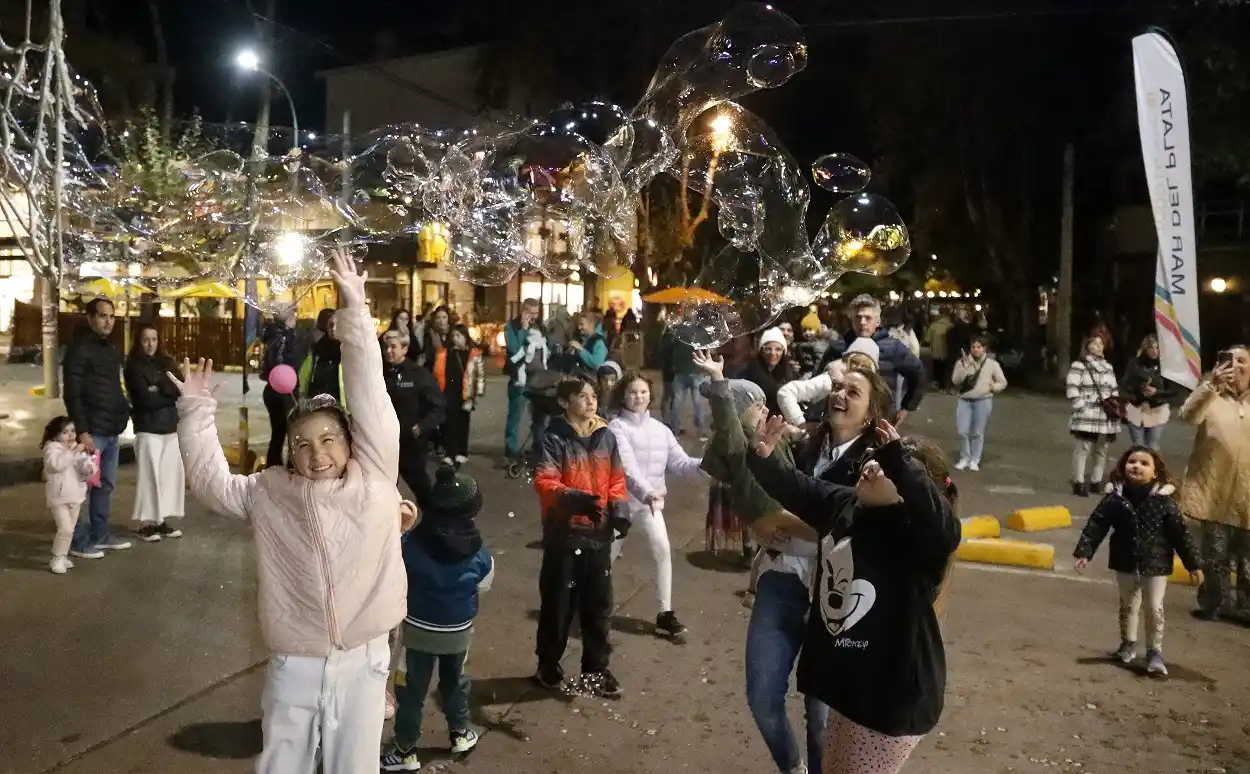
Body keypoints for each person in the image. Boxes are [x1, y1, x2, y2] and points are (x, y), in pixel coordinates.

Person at [172, 249, 411, 774]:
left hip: (364, 656)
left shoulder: (373, 475)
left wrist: (354, 309)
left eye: (330, 439)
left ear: (352, 445)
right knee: (282, 762)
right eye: (303, 443)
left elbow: (369, 393)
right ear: (289, 452)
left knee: (355, 765)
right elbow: (212, 484)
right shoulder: (269, 491)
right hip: (294, 657)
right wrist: (196, 411)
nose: (317, 452)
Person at [698, 351, 895, 774]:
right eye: (837, 387)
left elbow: (868, 529)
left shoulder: (877, 466)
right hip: (783, 579)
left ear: (870, 414)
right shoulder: (800, 443)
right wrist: (762, 523)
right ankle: (793, 767)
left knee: (821, 717)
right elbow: (745, 466)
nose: (839, 394)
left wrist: (802, 529)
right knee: (762, 696)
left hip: (836, 598)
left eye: (852, 391)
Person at [747, 416, 961, 774]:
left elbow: (945, 529)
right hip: (854, 688)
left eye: (888, 468)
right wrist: (765, 458)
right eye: (875, 458)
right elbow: (799, 489)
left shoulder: (917, 536)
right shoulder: (846, 504)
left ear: (911, 492)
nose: (873, 466)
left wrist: (900, 464)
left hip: (890, 699)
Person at [381, 465, 494, 772]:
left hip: (418, 630)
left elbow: (396, 570)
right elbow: (484, 582)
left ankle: (405, 750)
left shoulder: (413, 546)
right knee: (455, 682)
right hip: (458, 632)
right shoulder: (480, 554)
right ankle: (460, 732)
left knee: (410, 692)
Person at [532, 375, 630, 698]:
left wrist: (619, 510)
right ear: (565, 402)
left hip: (598, 535)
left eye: (593, 396)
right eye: (583, 397)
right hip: (565, 534)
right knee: (558, 604)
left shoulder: (606, 436)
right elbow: (545, 481)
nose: (591, 401)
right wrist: (574, 500)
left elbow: (616, 478)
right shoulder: (553, 437)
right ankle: (548, 664)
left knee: (598, 605)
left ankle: (595, 671)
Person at [1073, 446, 1201, 677]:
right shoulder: (1115, 498)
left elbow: (1180, 534)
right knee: (1128, 605)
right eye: (1132, 461)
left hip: (1156, 563)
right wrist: (1084, 552)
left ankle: (1154, 652)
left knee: (1154, 608)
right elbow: (1097, 524)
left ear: (1155, 472)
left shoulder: (1164, 501)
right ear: (1123, 467)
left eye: (1144, 463)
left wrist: (1193, 564)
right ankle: (1128, 644)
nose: (1136, 466)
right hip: (1125, 560)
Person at [607, 372, 704, 638]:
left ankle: (665, 613)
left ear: (651, 394)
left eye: (643, 392)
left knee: (663, 550)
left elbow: (682, 463)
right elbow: (627, 468)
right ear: (622, 396)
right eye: (632, 392)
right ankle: (588, 606)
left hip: (650, 505)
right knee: (606, 558)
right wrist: (647, 492)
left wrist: (708, 466)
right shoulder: (616, 427)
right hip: (621, 504)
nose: (638, 397)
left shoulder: (661, 430)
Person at [1177, 345, 1250, 622]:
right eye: (1231, 360)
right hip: (1213, 489)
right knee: (1215, 555)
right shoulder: (1211, 395)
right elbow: (1187, 415)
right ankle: (1214, 604)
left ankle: (1246, 608)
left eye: (1242, 361)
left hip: (1248, 492)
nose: (1236, 366)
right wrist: (1211, 386)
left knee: (1248, 557)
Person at [62, 297, 133, 558]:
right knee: (81, 488)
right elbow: (72, 392)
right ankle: (78, 540)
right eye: (103, 316)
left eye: (111, 316)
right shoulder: (80, 348)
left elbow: (113, 386)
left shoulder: (109, 347)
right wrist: (82, 430)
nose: (108, 321)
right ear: (90, 318)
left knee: (105, 485)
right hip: (92, 431)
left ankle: (100, 533)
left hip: (111, 429)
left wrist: (123, 409)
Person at [817, 294, 925, 424]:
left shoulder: (893, 348)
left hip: (879, 421)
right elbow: (817, 381)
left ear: (877, 321)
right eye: (858, 317)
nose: (862, 322)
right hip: (842, 419)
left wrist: (906, 407)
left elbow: (918, 374)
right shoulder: (837, 348)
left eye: (868, 318)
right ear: (852, 320)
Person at [123, 323, 186, 541]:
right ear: (138, 341)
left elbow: (179, 388)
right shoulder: (132, 365)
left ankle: (161, 521)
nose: (150, 344)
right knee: (149, 476)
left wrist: (159, 388)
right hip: (147, 428)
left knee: (168, 476)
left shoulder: (166, 362)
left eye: (154, 339)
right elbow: (143, 398)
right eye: (146, 340)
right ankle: (147, 524)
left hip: (169, 427)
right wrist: (162, 390)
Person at [383, 328, 447, 505]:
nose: (388, 351)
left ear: (404, 349)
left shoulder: (418, 374)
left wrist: (420, 428)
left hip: (410, 443)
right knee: (385, 492)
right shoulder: (379, 373)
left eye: (393, 347)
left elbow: (439, 407)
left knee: (423, 490)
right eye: (386, 347)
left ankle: (436, 524)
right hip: (385, 443)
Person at [775, 337, 880, 428]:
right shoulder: (830, 380)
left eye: (865, 367)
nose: (859, 368)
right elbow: (786, 392)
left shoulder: (867, 391)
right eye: (855, 362)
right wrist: (800, 424)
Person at [1065, 335, 1120, 496]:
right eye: (1095, 343)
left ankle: (1096, 481)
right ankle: (1079, 481)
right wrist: (1081, 406)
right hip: (1087, 412)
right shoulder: (1079, 365)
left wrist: (1115, 404)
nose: (1099, 346)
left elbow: (1114, 389)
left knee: (1102, 449)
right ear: (1087, 345)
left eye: (1101, 344)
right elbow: (1072, 387)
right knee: (1083, 448)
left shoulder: (1108, 367)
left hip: (1105, 414)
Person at [41, 417, 96, 574]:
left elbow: (85, 467)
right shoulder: (52, 449)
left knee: (69, 529)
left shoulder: (76, 449)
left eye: (72, 431)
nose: (70, 435)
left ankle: (63, 555)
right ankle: (57, 558)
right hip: (58, 498)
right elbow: (57, 465)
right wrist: (73, 452)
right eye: (64, 432)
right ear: (55, 434)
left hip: (75, 496)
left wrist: (89, 467)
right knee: (64, 528)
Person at [950, 335, 1008, 472]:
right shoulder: (962, 362)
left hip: (983, 401)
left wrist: (993, 387)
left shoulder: (992, 364)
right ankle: (964, 457)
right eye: (973, 347)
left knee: (977, 432)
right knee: (962, 430)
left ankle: (975, 459)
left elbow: (1003, 382)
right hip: (964, 400)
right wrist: (965, 366)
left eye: (979, 347)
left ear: (984, 349)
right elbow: (955, 380)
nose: (976, 350)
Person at [432, 324, 485, 468]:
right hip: (449, 392)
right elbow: (438, 373)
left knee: (462, 423)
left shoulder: (474, 354)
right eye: (453, 336)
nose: (455, 339)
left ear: (465, 337)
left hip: (465, 394)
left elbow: (480, 377)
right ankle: (450, 453)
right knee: (449, 424)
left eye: (458, 336)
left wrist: (476, 396)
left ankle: (461, 452)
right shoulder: (446, 353)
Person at [504, 299, 548, 462]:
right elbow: (514, 350)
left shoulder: (538, 326)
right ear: (523, 310)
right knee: (516, 415)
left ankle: (538, 447)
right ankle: (511, 450)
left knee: (539, 416)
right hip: (520, 378)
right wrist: (523, 330)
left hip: (538, 378)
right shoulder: (511, 327)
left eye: (536, 313)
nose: (534, 317)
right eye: (531, 313)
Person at [261, 308, 301, 468]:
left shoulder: (271, 334)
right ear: (288, 319)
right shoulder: (283, 337)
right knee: (292, 430)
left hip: (272, 388)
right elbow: (280, 361)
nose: (296, 319)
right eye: (294, 315)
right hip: (284, 389)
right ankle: (291, 467)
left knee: (278, 433)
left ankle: (273, 466)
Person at [1121, 334, 1176, 450]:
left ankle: (1154, 468)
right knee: (1138, 446)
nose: (1155, 351)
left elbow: (1174, 391)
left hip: (1157, 410)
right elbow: (1125, 385)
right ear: (1145, 349)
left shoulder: (1165, 367)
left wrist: (1157, 392)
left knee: (1152, 446)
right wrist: (1139, 390)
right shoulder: (1134, 364)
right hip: (1136, 410)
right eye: (1152, 348)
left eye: (1157, 348)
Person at [737, 327, 795, 416]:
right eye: (768, 348)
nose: (773, 353)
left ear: (784, 352)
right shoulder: (750, 372)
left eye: (778, 349)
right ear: (761, 351)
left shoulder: (788, 372)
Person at [299, 308, 344, 407]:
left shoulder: (350, 351)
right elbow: (305, 375)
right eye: (331, 324)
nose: (333, 328)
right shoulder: (316, 349)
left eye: (338, 325)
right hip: (318, 401)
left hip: (341, 403)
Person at [926, 310, 955, 391]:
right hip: (947, 351)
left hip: (935, 351)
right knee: (945, 369)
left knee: (936, 368)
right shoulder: (951, 326)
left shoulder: (933, 326)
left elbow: (927, 339)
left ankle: (937, 384)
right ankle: (944, 385)